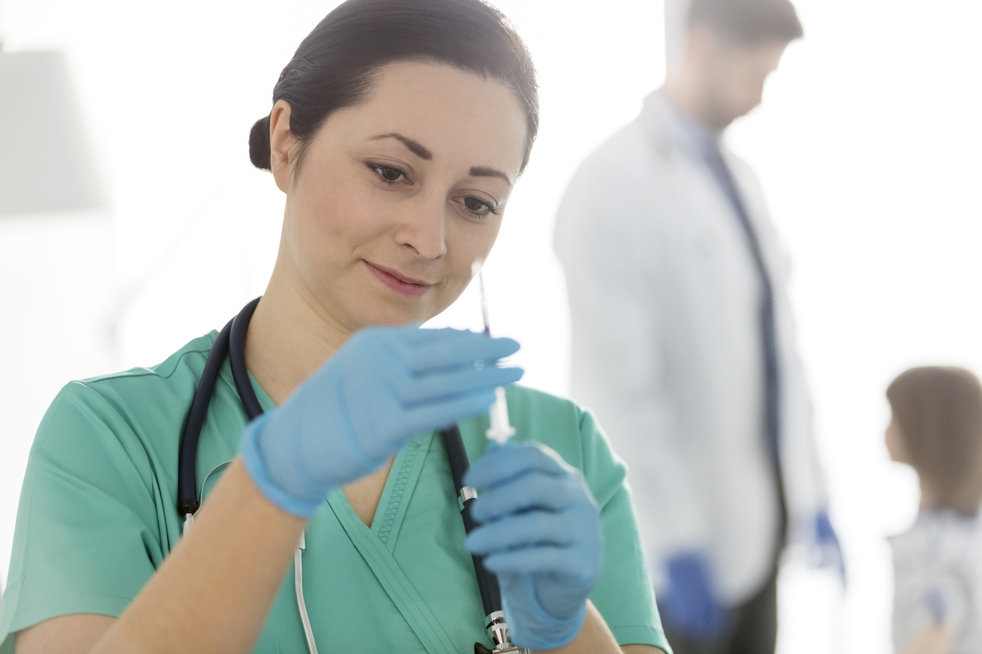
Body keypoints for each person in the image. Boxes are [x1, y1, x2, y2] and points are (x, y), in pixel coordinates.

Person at [0, 1, 673, 653]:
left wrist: (566, 630)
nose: (429, 238)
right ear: (287, 143)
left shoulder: (559, 453)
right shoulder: (110, 439)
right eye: (390, 172)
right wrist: (268, 490)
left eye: (475, 202)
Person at [553, 0, 842, 652]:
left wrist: (811, 488)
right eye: (757, 77)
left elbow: (779, 355)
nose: (761, 100)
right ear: (704, 47)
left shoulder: (737, 179)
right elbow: (619, 391)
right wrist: (674, 539)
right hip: (667, 562)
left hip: (757, 535)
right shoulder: (611, 185)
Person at [885, 367, 982, 654]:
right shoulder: (968, 528)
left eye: (894, 418)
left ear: (923, 431)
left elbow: (932, 640)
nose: (885, 429)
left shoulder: (931, 550)